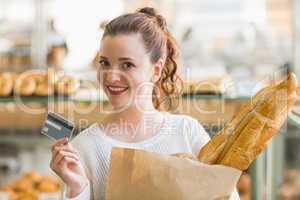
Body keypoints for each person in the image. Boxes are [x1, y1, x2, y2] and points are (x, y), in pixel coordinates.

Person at [50, 7, 240, 200]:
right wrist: (77, 189)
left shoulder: (187, 132)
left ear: (156, 70)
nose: (111, 76)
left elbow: (227, 196)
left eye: (127, 65)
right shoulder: (85, 148)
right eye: (104, 63)